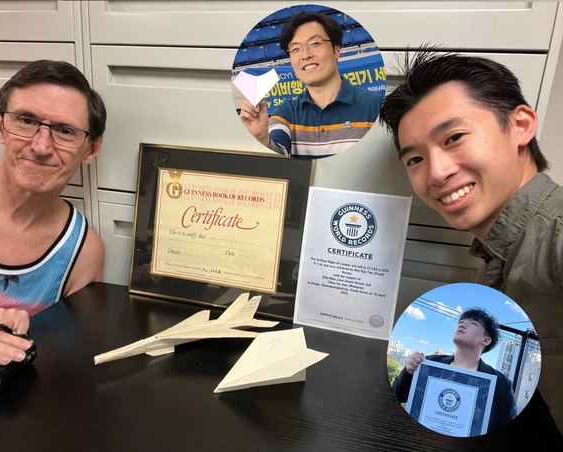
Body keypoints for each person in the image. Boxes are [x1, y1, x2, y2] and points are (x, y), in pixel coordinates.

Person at [379, 51, 562, 432]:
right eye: (415, 159)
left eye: (454, 137)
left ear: (521, 125)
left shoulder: (556, 236)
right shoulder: (498, 252)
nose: (437, 172)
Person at [0, 60, 107, 367]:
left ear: (90, 150)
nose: (41, 146)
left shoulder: (82, 252)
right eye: (26, 121)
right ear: (1, 126)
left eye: (65, 131)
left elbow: (66, 360)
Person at [240, 12, 383, 158]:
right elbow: (279, 156)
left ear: (336, 50)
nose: (305, 55)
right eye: (295, 49)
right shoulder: (285, 114)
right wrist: (262, 138)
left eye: (315, 43)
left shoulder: (376, 106)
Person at [393, 308, 516, 433]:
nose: (462, 324)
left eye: (473, 323)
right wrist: (408, 372)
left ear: (486, 340)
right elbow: (397, 396)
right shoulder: (429, 364)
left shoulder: (501, 384)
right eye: (461, 322)